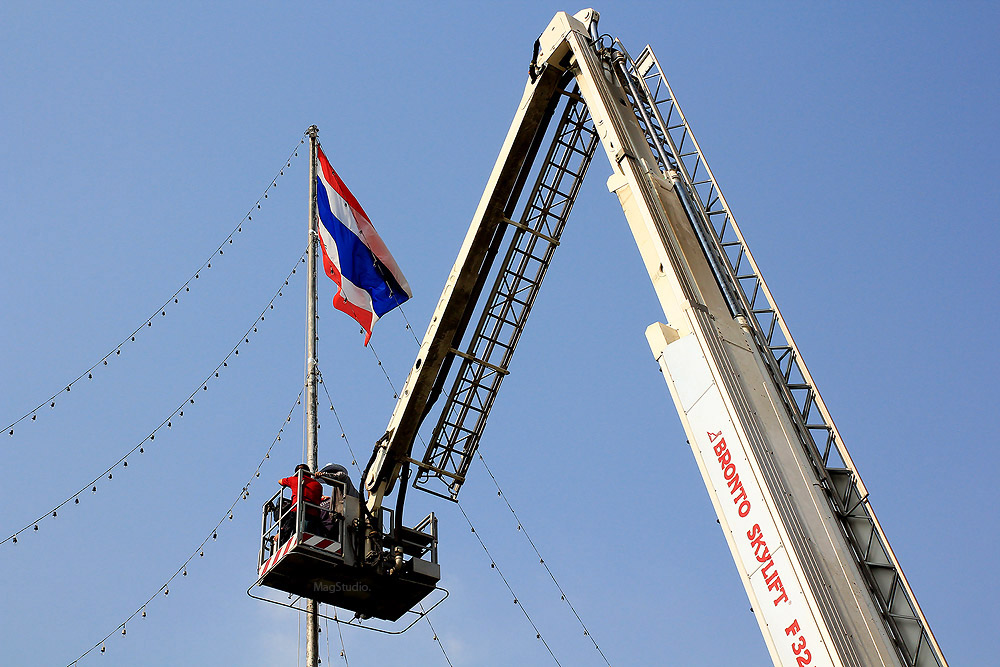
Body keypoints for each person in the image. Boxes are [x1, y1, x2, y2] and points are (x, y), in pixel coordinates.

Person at [277, 463, 324, 544]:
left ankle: (282, 543)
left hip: (297, 511)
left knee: (287, 529)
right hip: (314, 515)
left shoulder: (294, 479)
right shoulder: (318, 485)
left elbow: (280, 481)